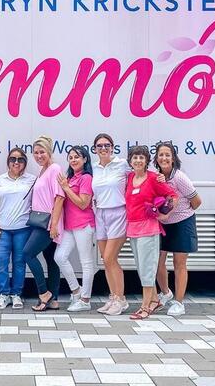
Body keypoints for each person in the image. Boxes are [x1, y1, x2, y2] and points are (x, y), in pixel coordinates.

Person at [124, 145, 178, 320]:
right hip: (133, 229)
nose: (138, 160)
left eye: (141, 157)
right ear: (130, 161)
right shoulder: (130, 177)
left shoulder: (154, 178)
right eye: (135, 157)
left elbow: (173, 196)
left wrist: (165, 214)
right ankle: (154, 300)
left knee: (147, 269)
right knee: (141, 268)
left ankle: (145, 307)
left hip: (148, 229)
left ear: (147, 160)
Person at [154, 141, 202, 317]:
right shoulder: (157, 176)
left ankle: (179, 303)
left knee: (179, 263)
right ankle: (166, 293)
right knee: (157, 261)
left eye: (168, 155)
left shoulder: (180, 177)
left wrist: (181, 212)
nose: (164, 158)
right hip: (162, 223)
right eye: (161, 155)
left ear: (173, 158)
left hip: (182, 222)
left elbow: (197, 202)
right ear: (156, 158)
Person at [0, 147, 35, 310]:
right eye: (13, 159)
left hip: (23, 229)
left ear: (25, 162)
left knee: (19, 262)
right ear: (8, 162)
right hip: (2, 229)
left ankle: (16, 294)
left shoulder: (32, 180)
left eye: (20, 159)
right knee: (0, 262)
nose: (16, 162)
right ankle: (3, 294)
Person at [23, 135, 64, 312]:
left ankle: (44, 293)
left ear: (49, 152)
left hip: (48, 223)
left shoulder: (54, 168)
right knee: (51, 260)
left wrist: (53, 225)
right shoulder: (43, 171)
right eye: (36, 152)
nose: (39, 156)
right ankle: (54, 299)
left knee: (27, 254)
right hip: (42, 221)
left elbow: (59, 197)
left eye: (42, 152)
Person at [91, 133, 130, 315]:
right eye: (99, 146)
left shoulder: (122, 164)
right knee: (105, 261)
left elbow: (143, 173)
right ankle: (113, 297)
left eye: (107, 145)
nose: (103, 148)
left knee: (110, 258)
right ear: (95, 149)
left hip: (118, 212)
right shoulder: (94, 167)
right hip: (100, 213)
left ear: (112, 147)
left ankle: (121, 300)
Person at [54, 145, 97, 312]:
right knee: (59, 257)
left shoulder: (86, 178)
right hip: (69, 226)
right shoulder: (70, 178)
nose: (73, 160)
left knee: (86, 262)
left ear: (85, 159)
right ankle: (77, 291)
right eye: (70, 157)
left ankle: (85, 300)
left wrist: (66, 188)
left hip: (84, 225)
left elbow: (83, 203)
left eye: (77, 157)